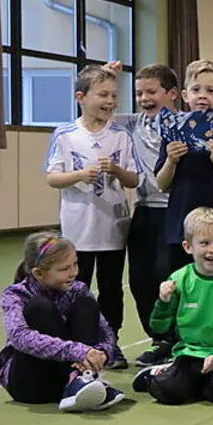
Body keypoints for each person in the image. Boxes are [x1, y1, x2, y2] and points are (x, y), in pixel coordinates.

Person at [45, 64, 139, 369]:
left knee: (111, 289)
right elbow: (52, 178)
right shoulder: (66, 135)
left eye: (114, 95)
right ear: (80, 97)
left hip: (112, 228)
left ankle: (111, 343)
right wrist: (79, 175)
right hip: (77, 230)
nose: (111, 100)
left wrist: (117, 170)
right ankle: (77, 345)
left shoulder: (121, 135)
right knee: (76, 287)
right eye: (103, 94)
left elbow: (134, 180)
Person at [0, 232, 125, 411]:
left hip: (66, 376)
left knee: (86, 303)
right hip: (30, 383)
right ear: (38, 273)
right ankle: (78, 381)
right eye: (64, 269)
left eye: (75, 264)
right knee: (40, 307)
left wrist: (102, 353)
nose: (74, 273)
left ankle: (82, 380)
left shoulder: (78, 289)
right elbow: (19, 336)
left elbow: (105, 330)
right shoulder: (15, 295)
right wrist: (79, 351)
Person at [132, 208, 213, 405]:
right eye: (204, 243)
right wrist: (163, 302)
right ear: (188, 246)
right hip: (188, 353)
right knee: (167, 391)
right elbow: (159, 328)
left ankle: (196, 384)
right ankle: (163, 372)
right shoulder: (179, 280)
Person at [115, 63, 180, 367]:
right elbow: (93, 112)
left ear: (172, 94)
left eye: (151, 92)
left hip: (176, 210)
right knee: (140, 279)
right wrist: (108, 78)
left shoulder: (185, 124)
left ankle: (177, 337)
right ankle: (157, 339)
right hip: (144, 211)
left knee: (167, 276)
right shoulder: (131, 124)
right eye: (139, 92)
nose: (144, 98)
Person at [155, 60, 213, 273]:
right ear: (185, 96)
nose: (202, 95)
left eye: (210, 90)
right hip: (179, 228)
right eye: (196, 90)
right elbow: (162, 184)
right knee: (179, 284)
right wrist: (171, 160)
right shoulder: (173, 134)